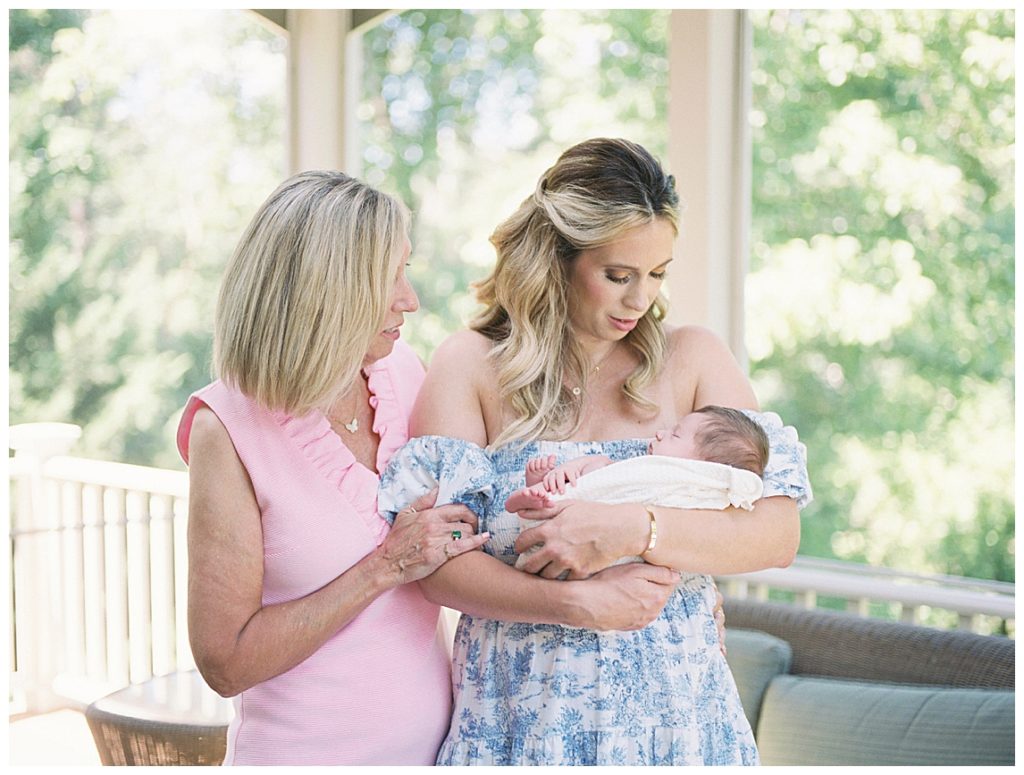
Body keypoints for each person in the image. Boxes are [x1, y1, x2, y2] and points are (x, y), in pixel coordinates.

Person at [380, 137, 812, 766]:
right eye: (618, 275)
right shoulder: (469, 366)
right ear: (557, 258)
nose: (640, 300)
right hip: (523, 722)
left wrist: (631, 528)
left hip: (677, 726)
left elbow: (777, 533)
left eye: (657, 275)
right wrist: (572, 603)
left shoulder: (693, 360)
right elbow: (430, 561)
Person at [175, 171, 495, 765]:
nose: (411, 298)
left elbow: (469, 526)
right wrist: (382, 568)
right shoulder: (227, 429)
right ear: (328, 291)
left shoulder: (403, 370)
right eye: (390, 277)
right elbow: (225, 662)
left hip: (436, 755)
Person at [507, 405, 770, 569]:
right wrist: (567, 472)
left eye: (674, 434)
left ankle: (541, 502)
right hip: (563, 540)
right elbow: (607, 480)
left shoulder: (689, 492)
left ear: (703, 469)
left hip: (618, 570)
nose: (659, 433)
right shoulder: (637, 470)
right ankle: (541, 495)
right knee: (596, 469)